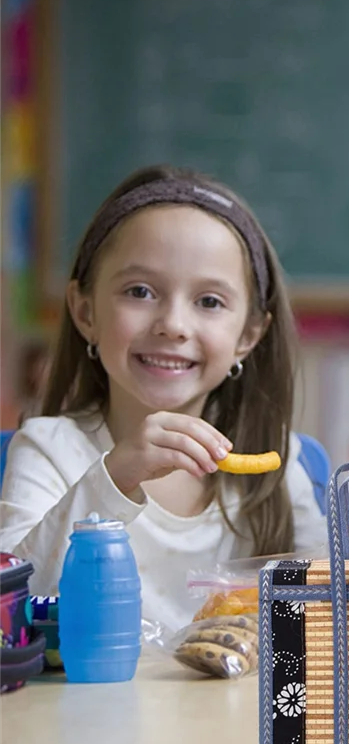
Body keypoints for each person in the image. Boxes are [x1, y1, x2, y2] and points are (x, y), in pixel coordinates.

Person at [0, 165, 327, 630]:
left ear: (249, 335)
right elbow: (12, 610)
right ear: (85, 311)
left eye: (209, 301)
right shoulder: (48, 449)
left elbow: (328, 615)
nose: (173, 324)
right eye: (140, 291)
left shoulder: (282, 467)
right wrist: (114, 478)